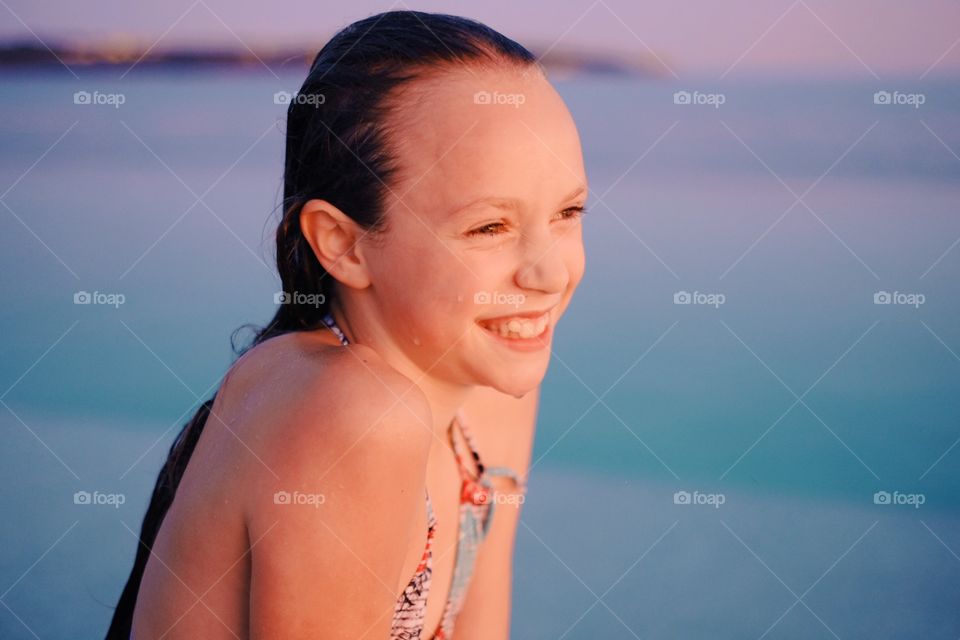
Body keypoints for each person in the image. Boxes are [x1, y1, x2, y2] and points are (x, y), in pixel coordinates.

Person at [107, 9, 587, 639]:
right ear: (343, 244)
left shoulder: (485, 385)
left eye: (568, 211)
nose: (549, 274)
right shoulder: (353, 414)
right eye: (488, 227)